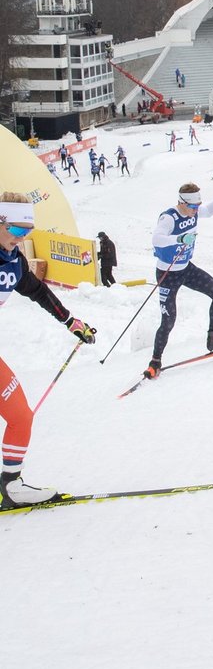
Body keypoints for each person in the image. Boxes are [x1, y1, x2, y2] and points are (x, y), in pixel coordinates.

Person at [0, 192, 96, 506]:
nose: (22, 237)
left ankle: (10, 486)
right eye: (15, 230)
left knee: (21, 417)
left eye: (26, 230)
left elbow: (38, 291)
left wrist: (71, 321)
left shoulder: (14, 261)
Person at [143, 183, 213, 379]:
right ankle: (155, 361)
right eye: (193, 207)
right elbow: (157, 239)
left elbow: (209, 211)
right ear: (182, 202)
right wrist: (179, 239)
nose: (195, 211)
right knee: (168, 320)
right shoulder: (169, 217)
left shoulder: (193, 211)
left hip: (186, 268)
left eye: (197, 207)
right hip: (167, 274)